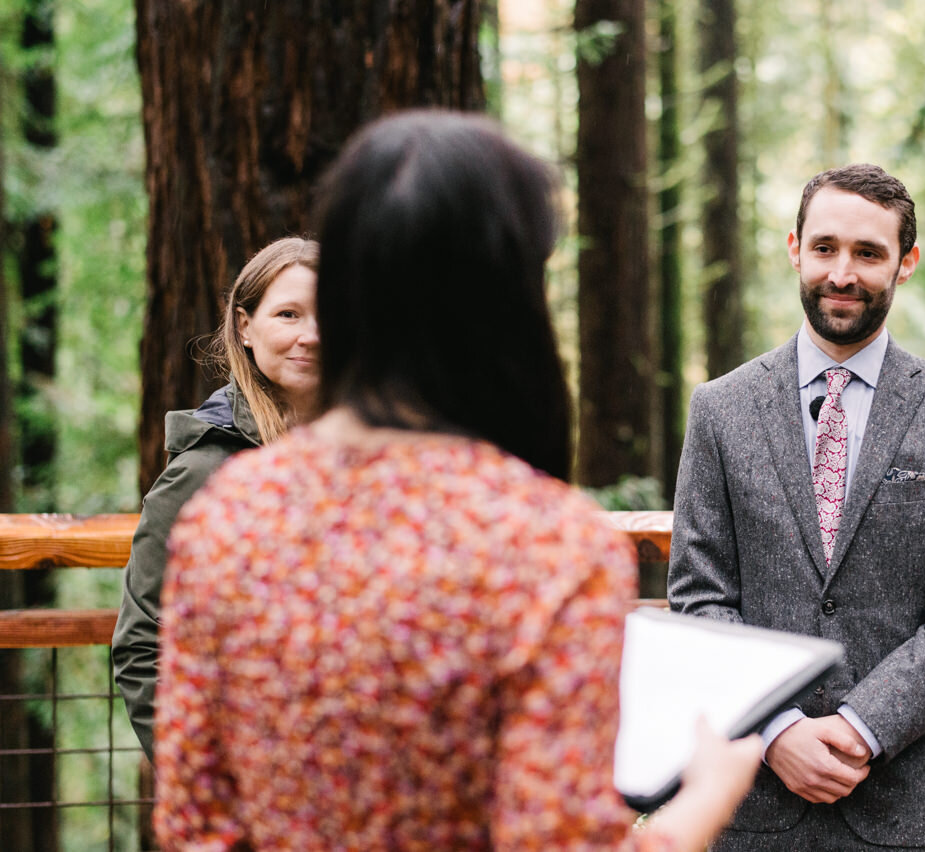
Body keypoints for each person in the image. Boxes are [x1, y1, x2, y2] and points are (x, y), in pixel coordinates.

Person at [151, 110, 761, 851]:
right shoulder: (547, 547)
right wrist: (707, 795)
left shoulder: (228, 514)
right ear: (507, 294)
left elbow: (195, 824)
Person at [668, 163, 925, 851]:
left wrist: (865, 724)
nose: (842, 273)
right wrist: (777, 731)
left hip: (908, 799)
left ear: (906, 262)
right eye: (826, 247)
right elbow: (698, 595)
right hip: (753, 804)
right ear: (795, 248)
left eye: (868, 253)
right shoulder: (720, 409)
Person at [112, 236, 321, 760]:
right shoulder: (203, 470)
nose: (312, 336)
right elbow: (143, 648)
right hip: (253, 776)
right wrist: (207, 784)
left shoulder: (377, 457)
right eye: (289, 314)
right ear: (246, 327)